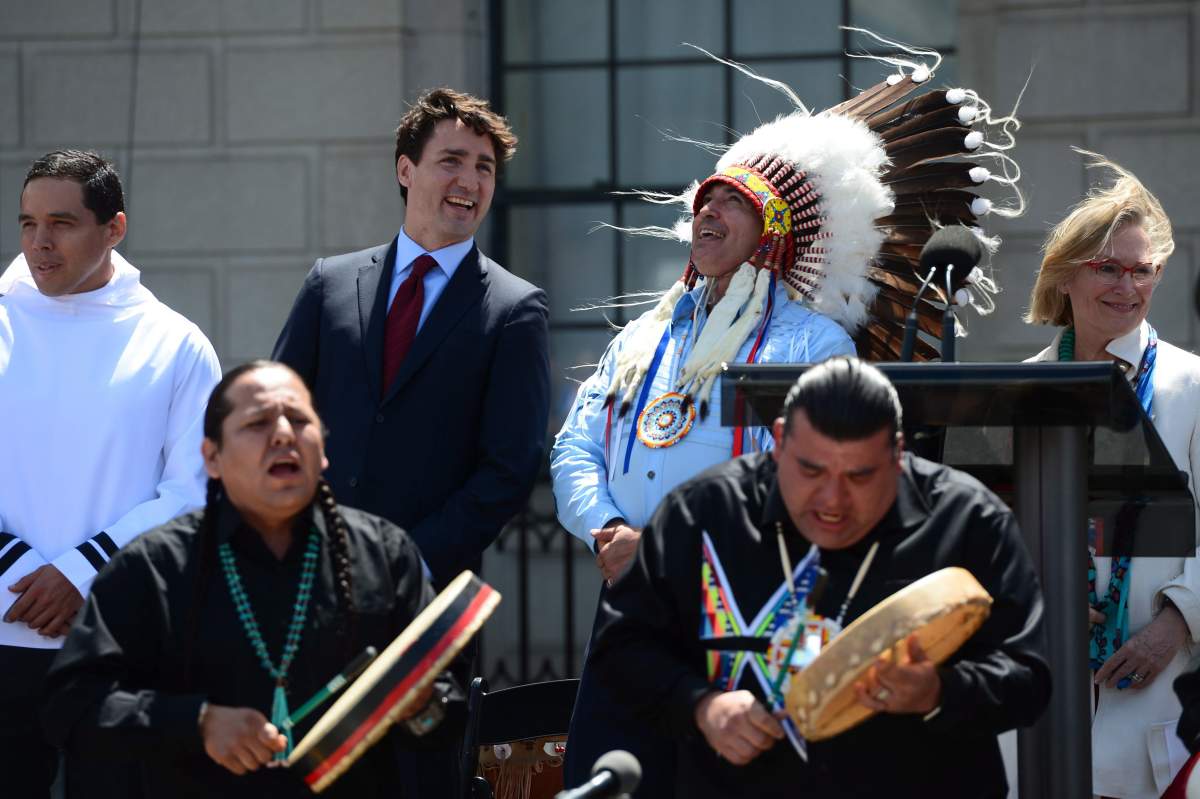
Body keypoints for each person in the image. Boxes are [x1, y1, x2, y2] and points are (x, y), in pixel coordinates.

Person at [551, 39, 1021, 795]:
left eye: (731, 201)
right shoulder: (641, 337)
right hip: (633, 587)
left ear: (773, 230)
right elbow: (576, 442)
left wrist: (671, 543)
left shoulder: (812, 341)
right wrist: (606, 529)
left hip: (741, 599)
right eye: (704, 199)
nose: (707, 209)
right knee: (623, 767)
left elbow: (805, 466)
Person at [587, 357, 1050, 798]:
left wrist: (939, 691)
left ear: (898, 454)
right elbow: (621, 649)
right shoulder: (704, 512)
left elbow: (1028, 679)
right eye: (811, 470)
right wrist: (700, 706)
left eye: (860, 476)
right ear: (781, 439)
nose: (832, 500)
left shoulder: (966, 519)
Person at [41, 361, 464, 798]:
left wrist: (419, 704)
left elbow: (449, 715)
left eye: (299, 420)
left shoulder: (385, 555)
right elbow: (71, 708)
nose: (283, 434)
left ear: (323, 449)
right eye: (258, 422)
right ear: (212, 457)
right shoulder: (153, 567)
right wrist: (195, 722)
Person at [0, 150, 221, 797]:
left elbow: (195, 492)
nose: (41, 243)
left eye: (62, 223)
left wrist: (80, 573)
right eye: (27, 223)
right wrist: (17, 568)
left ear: (114, 229)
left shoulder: (174, 343)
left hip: (122, 649)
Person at [1025, 153, 1200, 798]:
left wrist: (1177, 623)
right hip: (1045, 690)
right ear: (1064, 275)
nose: (1126, 285)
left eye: (1142, 270)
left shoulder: (1194, 386)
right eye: (1107, 267)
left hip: (1158, 693)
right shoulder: (1020, 386)